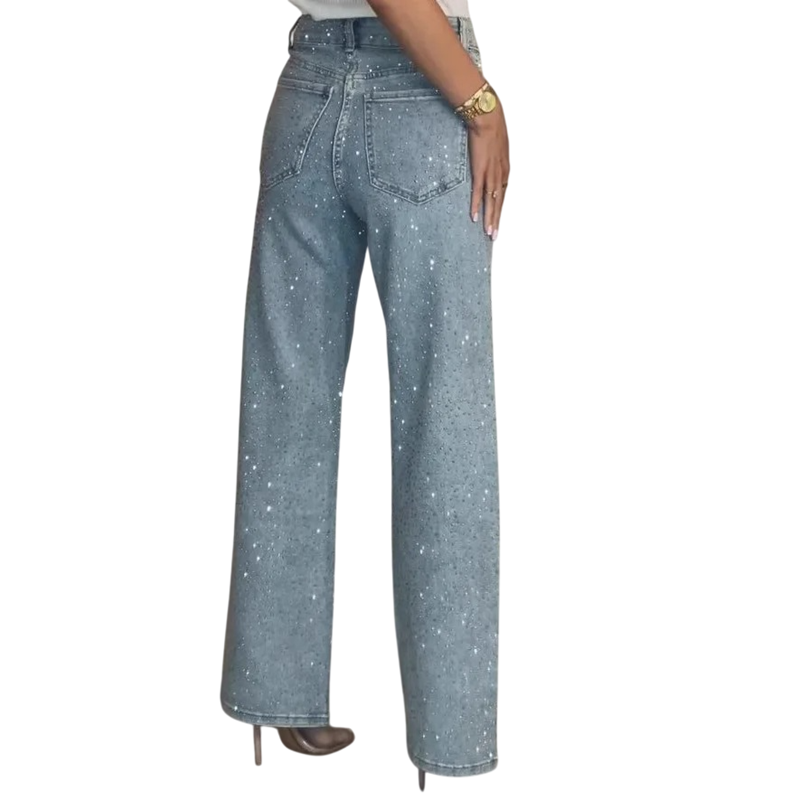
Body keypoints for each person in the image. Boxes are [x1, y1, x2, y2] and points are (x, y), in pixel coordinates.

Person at [220, 0, 510, 788]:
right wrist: (480, 104)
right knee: (444, 420)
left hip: (305, 94)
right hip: (426, 97)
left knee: (285, 410)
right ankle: (449, 739)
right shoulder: (458, 96)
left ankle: (274, 691)